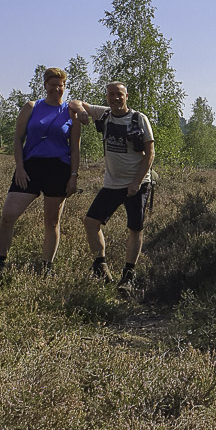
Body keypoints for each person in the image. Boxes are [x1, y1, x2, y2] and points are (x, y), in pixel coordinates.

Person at [0, 67, 80, 282]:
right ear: (45, 85)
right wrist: (20, 167)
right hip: (30, 167)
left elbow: (75, 148)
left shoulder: (71, 112)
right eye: (53, 85)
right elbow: (17, 139)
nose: (57, 89)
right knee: (8, 215)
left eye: (60, 86)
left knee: (52, 222)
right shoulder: (32, 107)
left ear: (64, 87)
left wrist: (73, 176)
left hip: (58, 169)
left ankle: (46, 268)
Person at [70, 82, 155, 295]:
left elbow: (150, 152)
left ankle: (128, 276)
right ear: (107, 97)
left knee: (135, 228)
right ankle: (101, 266)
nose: (115, 98)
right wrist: (81, 111)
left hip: (138, 183)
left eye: (119, 95)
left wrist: (136, 182)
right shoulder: (104, 114)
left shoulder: (139, 119)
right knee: (91, 222)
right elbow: (75, 102)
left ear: (126, 96)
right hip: (112, 183)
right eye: (111, 95)